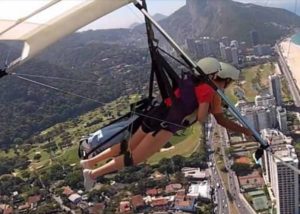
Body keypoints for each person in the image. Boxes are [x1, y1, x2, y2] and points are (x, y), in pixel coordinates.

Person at [81, 58, 252, 190]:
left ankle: (90, 162)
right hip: (166, 125)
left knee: (127, 146)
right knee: (134, 157)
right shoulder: (210, 91)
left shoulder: (192, 80)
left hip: (156, 114)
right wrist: (244, 130)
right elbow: (207, 118)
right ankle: (93, 174)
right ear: (226, 79)